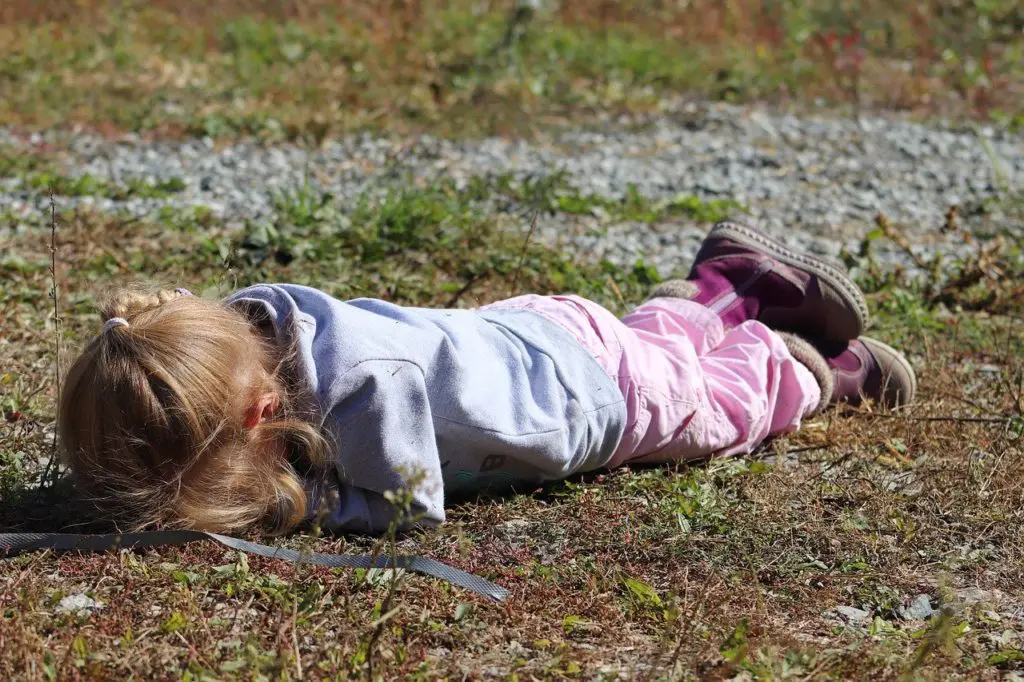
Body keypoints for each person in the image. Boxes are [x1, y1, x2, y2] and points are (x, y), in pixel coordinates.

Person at [58, 220, 916, 535]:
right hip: (535, 331)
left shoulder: (367, 393)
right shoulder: (244, 330)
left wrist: (305, 505)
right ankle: (724, 288)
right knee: (650, 346)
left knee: (708, 406)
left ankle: (813, 369)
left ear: (261, 418)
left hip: (587, 404)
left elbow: (408, 506)